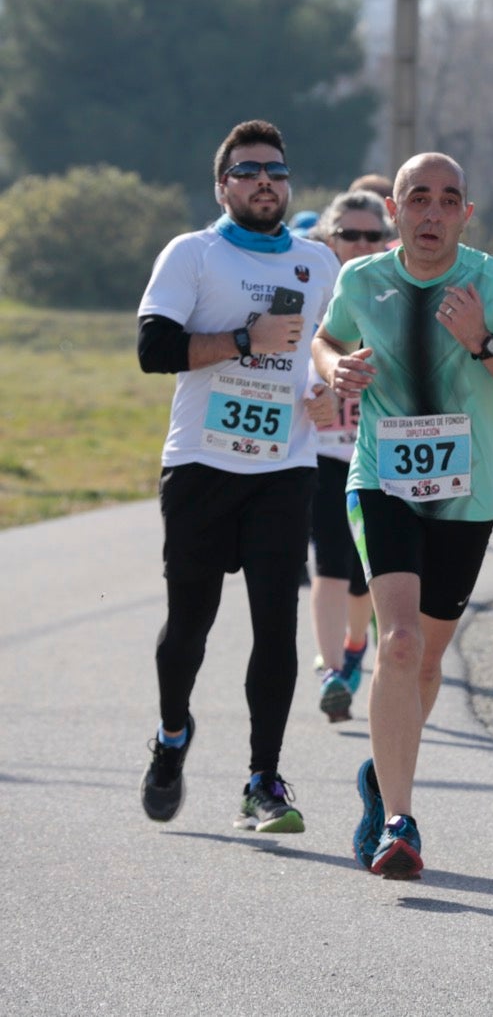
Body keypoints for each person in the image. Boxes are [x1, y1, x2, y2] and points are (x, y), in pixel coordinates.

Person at [311, 152, 493, 879]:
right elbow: (327, 341)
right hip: (381, 481)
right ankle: (399, 819)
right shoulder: (362, 280)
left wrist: (483, 343)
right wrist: (337, 369)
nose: (431, 213)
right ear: (393, 209)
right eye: (417, 198)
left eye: (448, 200)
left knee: (424, 659)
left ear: (466, 214)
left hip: (465, 496)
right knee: (397, 642)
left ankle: (379, 775)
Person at [135, 119, 339, 831]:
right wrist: (246, 340)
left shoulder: (319, 264)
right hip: (199, 463)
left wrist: (330, 388)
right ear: (223, 185)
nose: (265, 182)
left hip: (284, 468)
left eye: (276, 172)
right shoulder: (194, 253)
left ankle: (264, 779)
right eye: (249, 171)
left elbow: (326, 353)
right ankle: (171, 736)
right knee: (189, 626)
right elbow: (153, 348)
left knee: (275, 626)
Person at [305, 189, 391, 722]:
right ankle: (332, 672)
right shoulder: (312, 287)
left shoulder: (396, 289)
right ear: (329, 239)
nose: (360, 245)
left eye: (372, 236)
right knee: (329, 563)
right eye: (349, 235)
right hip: (321, 449)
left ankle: (356, 646)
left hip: (379, 451)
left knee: (366, 575)